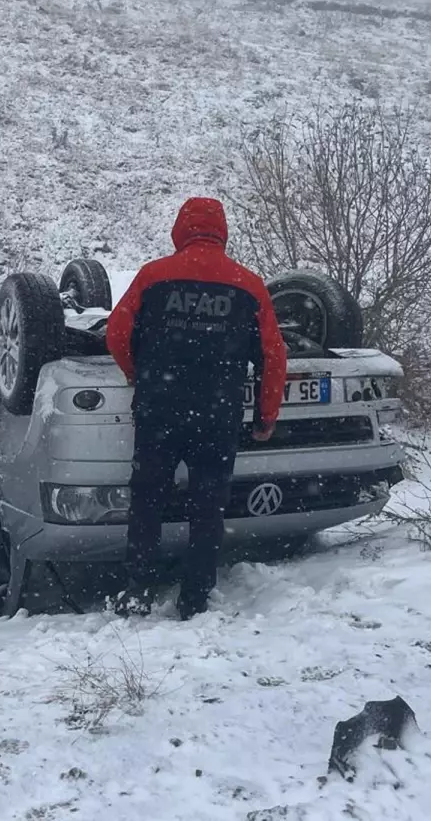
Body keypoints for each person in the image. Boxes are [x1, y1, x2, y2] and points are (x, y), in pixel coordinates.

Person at [105, 197, 287, 620]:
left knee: (148, 501)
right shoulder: (250, 284)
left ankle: (138, 590)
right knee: (208, 507)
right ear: (221, 231)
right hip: (217, 415)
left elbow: (116, 332)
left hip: (158, 410)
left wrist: (138, 372)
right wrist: (266, 416)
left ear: (180, 230)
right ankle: (195, 597)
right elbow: (274, 356)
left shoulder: (153, 276)